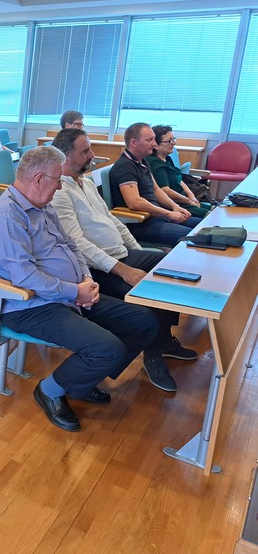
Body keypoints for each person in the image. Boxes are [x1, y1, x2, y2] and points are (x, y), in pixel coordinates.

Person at [0, 146, 159, 432]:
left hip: (70, 294)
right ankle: (49, 390)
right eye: (57, 180)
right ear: (38, 179)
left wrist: (86, 280)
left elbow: (71, 246)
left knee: (144, 322)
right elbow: (25, 277)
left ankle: (82, 379)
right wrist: (75, 292)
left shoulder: (43, 206)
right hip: (32, 306)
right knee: (107, 348)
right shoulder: (6, 215)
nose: (60, 186)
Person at [51, 128, 197, 391]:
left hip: (120, 254)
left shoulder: (85, 182)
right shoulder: (60, 192)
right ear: (64, 156)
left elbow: (112, 220)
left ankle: (163, 341)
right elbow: (76, 245)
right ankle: (153, 356)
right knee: (148, 292)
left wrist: (137, 251)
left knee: (168, 267)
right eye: (85, 151)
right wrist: (123, 269)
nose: (92, 155)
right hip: (99, 267)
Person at [109, 122, 200, 248]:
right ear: (134, 143)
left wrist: (175, 207)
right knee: (196, 238)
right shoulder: (125, 166)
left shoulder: (142, 161)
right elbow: (134, 202)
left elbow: (156, 190)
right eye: (149, 140)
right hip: (141, 224)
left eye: (154, 139)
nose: (154, 144)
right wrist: (167, 213)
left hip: (157, 217)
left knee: (203, 226)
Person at [146, 125, 211, 219]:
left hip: (184, 199)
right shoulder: (154, 163)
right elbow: (165, 190)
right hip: (175, 204)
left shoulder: (167, 159)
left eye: (173, 139)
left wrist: (191, 196)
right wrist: (188, 201)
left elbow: (179, 179)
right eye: (169, 141)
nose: (174, 143)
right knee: (211, 216)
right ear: (156, 145)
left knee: (215, 209)